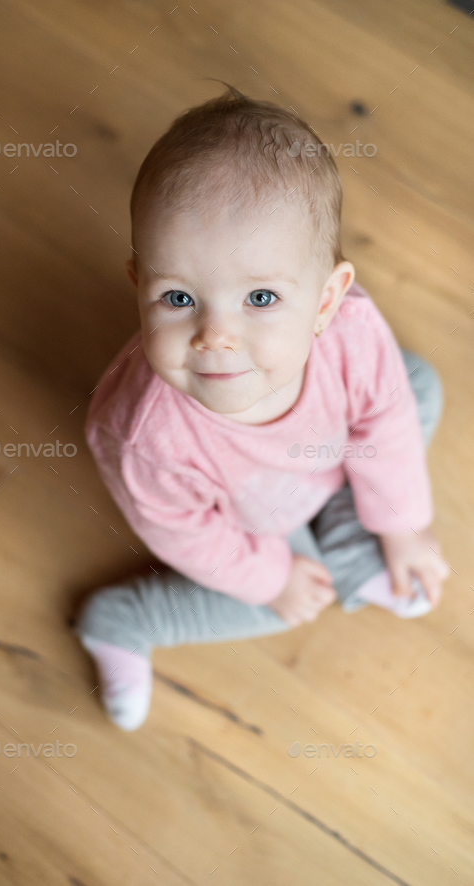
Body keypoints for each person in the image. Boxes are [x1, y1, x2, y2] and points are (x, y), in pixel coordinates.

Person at [75, 83, 449, 731]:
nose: (215, 337)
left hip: (329, 457)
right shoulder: (144, 435)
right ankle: (127, 621)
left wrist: (403, 524)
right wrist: (270, 578)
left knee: (415, 386)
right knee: (277, 599)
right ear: (139, 284)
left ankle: (361, 544)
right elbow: (184, 532)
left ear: (328, 300)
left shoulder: (351, 333)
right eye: (179, 298)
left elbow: (385, 417)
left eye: (262, 300)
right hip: (252, 523)